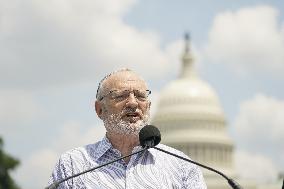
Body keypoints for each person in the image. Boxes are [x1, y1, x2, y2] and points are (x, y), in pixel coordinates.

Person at [48, 68, 207, 188]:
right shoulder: (72, 165)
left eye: (140, 96)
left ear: (148, 107)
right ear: (99, 109)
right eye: (121, 95)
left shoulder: (180, 165)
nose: (132, 103)